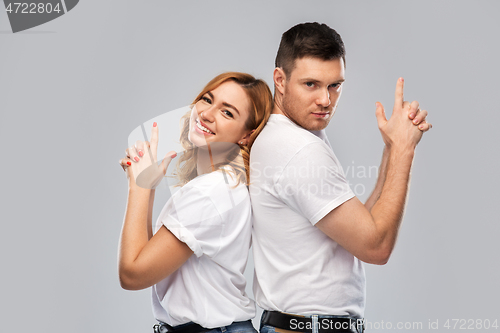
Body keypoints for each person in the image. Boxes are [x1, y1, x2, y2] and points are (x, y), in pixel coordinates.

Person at [249, 23, 432, 333]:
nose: (326, 99)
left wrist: (390, 149)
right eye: (311, 84)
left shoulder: (294, 136)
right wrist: (404, 150)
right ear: (280, 80)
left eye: (335, 85)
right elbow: (376, 247)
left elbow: (360, 227)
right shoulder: (299, 149)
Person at [118, 72, 273, 333]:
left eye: (227, 113)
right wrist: (150, 187)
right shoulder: (227, 185)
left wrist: (138, 186)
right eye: (206, 99)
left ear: (246, 136)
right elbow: (149, 260)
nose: (206, 114)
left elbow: (132, 274)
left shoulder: (209, 193)